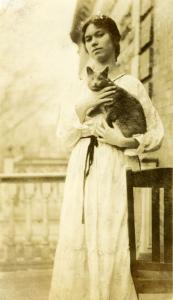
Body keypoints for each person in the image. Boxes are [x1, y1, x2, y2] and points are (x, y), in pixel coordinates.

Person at [49, 15, 164, 300]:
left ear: (114, 39)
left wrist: (124, 140)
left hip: (116, 166)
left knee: (114, 236)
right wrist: (87, 104)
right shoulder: (77, 86)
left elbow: (157, 133)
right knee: (80, 235)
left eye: (99, 35)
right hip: (83, 168)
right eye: (88, 39)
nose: (93, 42)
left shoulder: (132, 84)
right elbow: (63, 134)